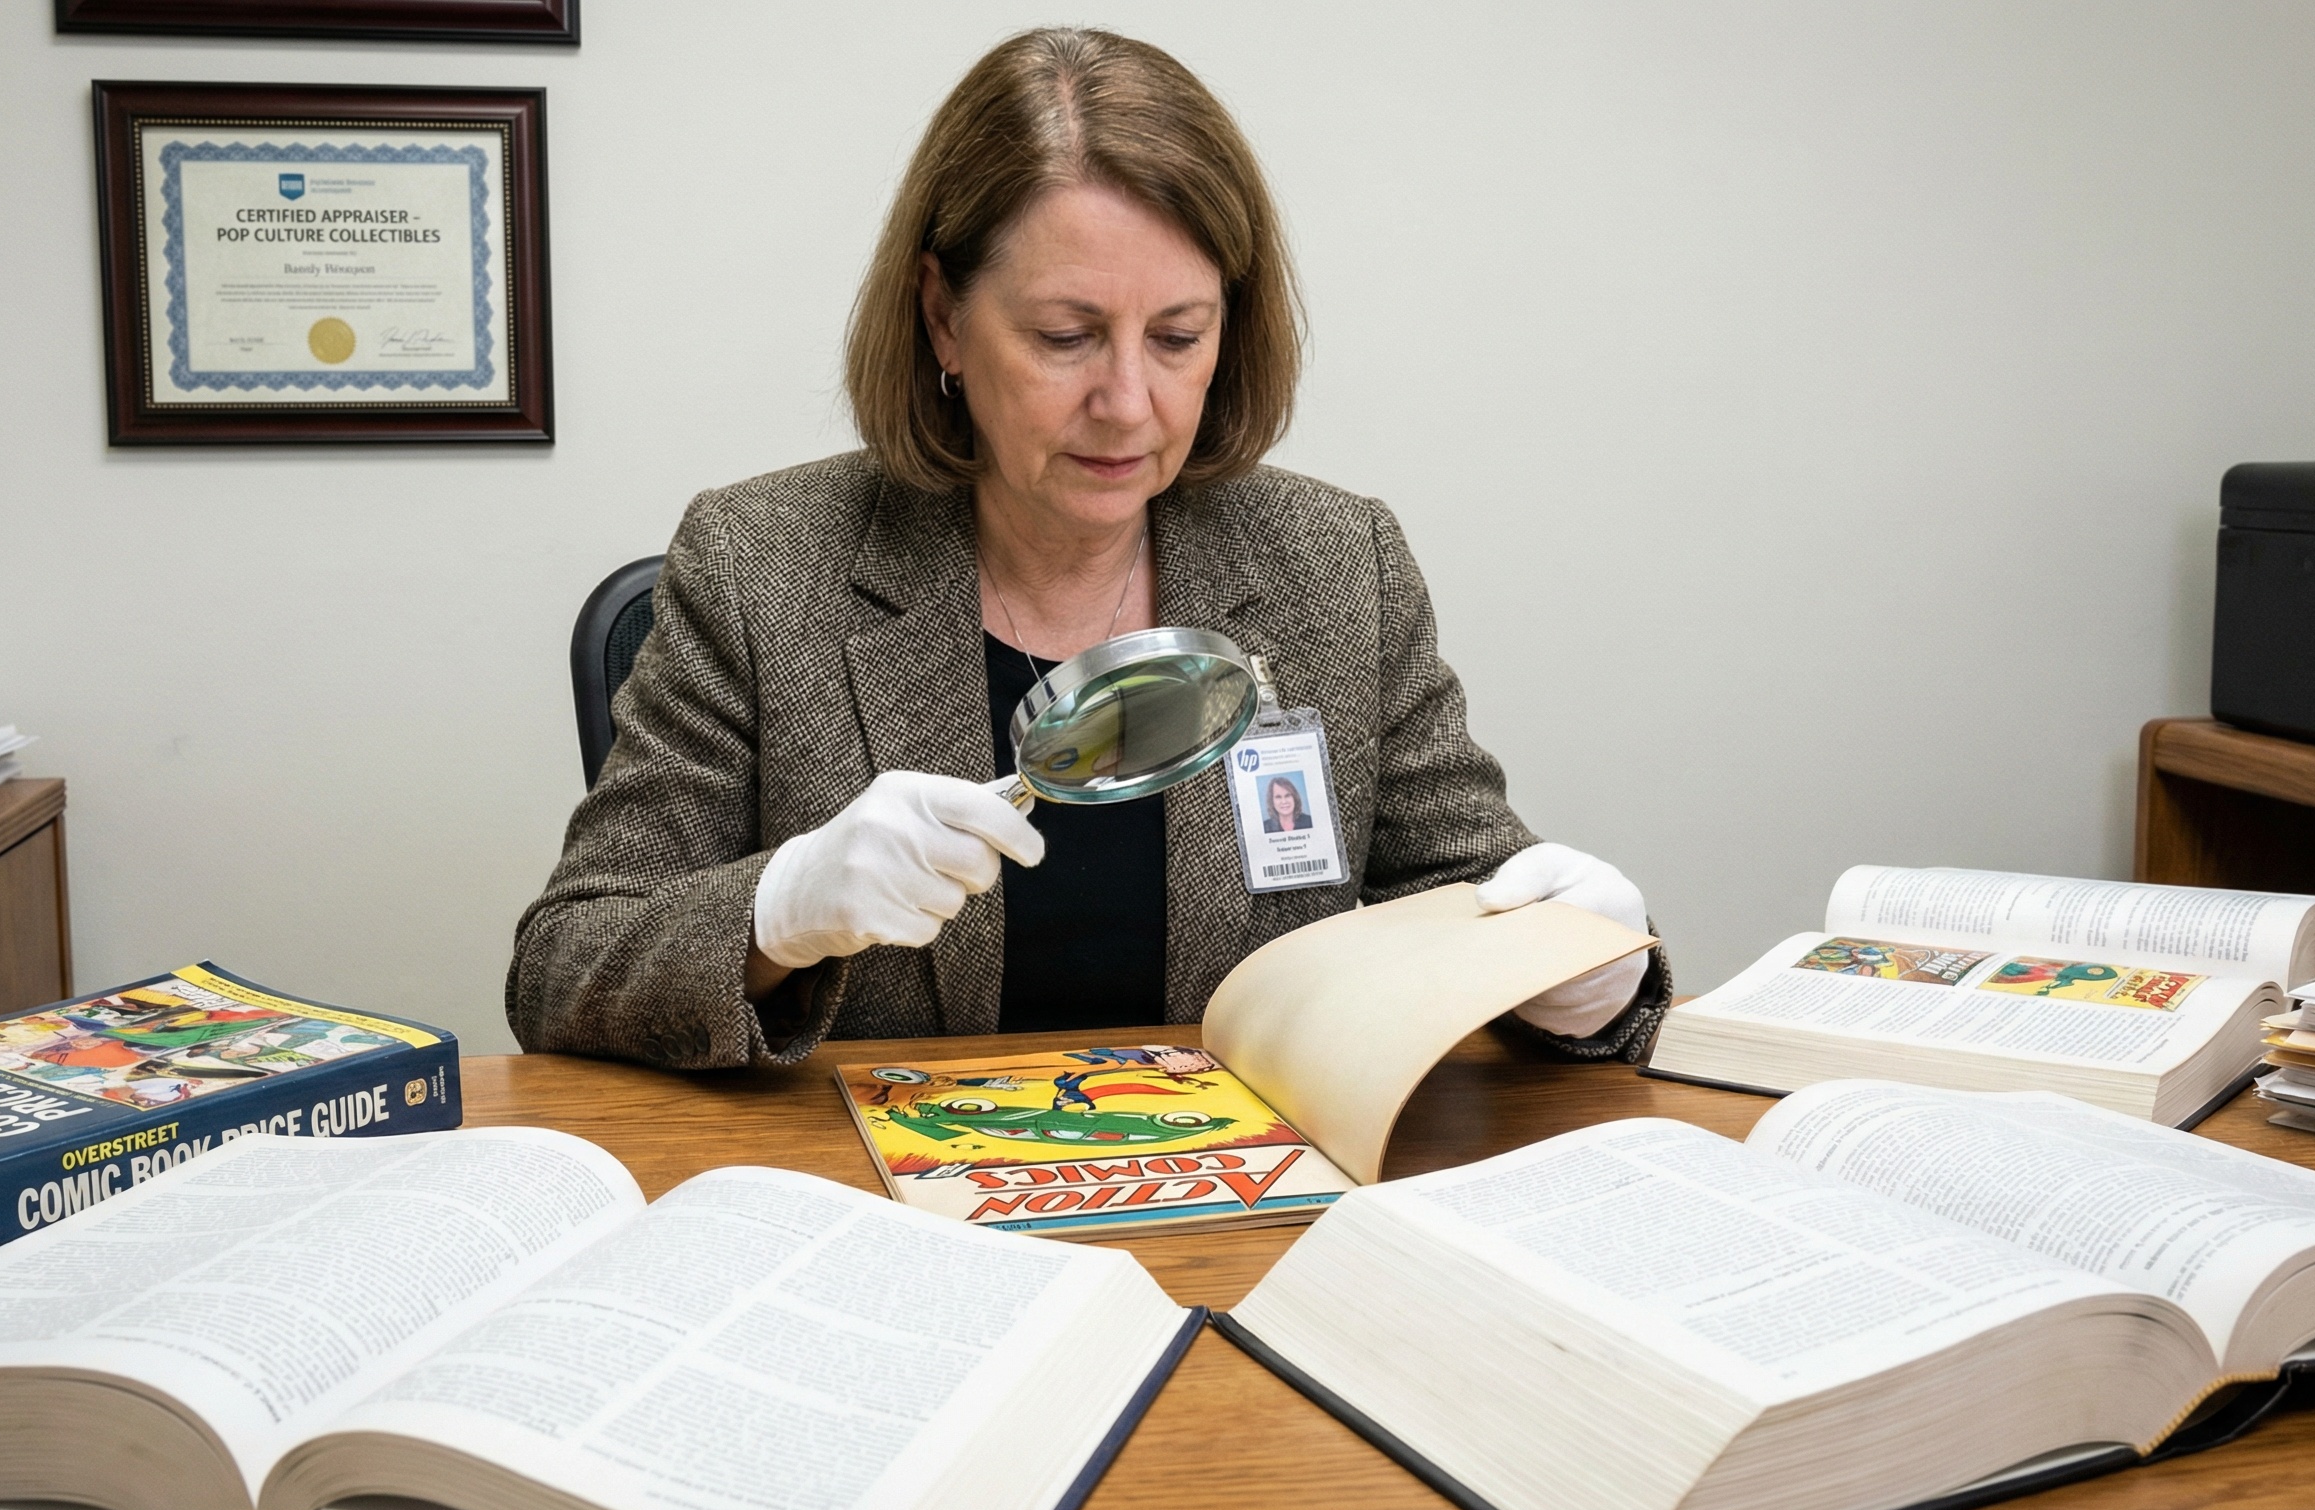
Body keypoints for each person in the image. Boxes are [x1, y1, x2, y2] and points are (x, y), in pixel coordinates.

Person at [509, 27, 1669, 1068]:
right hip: (886, 1227)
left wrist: (1585, 975)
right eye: (1065, 336)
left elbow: (1473, 901)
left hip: (1237, 1216)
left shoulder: (1334, 564)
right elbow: (561, 970)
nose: (1128, 403)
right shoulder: (762, 565)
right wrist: (780, 911)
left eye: (1177, 336)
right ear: (943, 316)